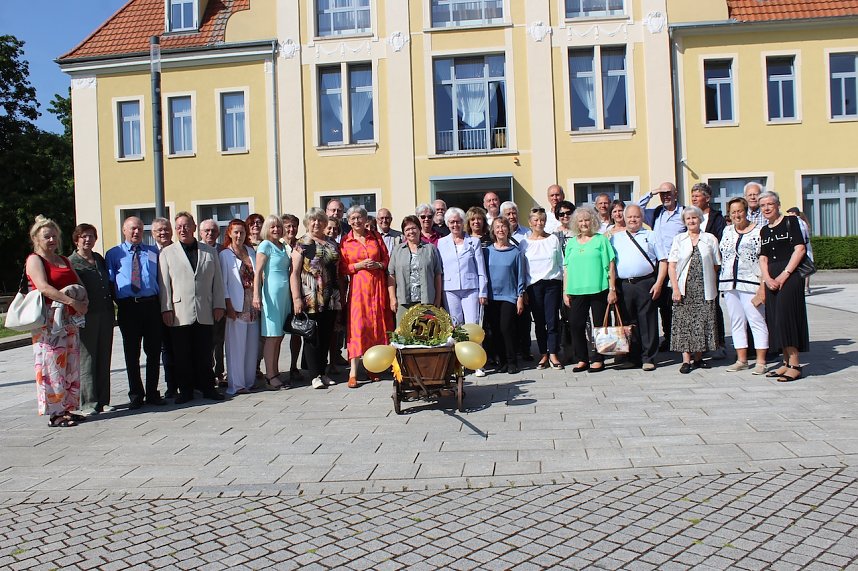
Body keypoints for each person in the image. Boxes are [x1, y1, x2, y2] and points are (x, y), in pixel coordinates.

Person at [26, 216, 89, 427]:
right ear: (36, 238)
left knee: (70, 364)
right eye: (46, 236)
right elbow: (43, 287)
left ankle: (68, 408)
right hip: (49, 322)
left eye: (54, 236)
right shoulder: (35, 260)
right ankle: (55, 413)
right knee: (52, 365)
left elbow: (77, 282)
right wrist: (72, 300)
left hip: (70, 319)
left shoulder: (63, 259)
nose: (51, 239)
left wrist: (84, 300)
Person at [159, 212, 227, 403]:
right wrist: (166, 308)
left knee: (205, 353)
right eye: (179, 226)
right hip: (180, 311)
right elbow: (164, 284)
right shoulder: (167, 253)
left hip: (205, 309)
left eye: (186, 225)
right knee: (182, 354)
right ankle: (186, 391)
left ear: (194, 227)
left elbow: (218, 282)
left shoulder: (209, 251)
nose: (183, 229)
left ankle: (208, 388)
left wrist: (219, 304)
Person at [106, 216, 166, 409]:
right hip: (129, 307)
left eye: (140, 229)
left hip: (151, 306)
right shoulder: (114, 254)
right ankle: (136, 394)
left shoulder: (153, 251)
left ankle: (152, 392)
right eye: (132, 229)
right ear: (124, 230)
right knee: (132, 353)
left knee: (154, 351)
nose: (136, 232)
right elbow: (110, 282)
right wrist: (122, 302)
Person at [338, 206, 393, 388]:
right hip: (358, 291)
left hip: (377, 288)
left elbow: (387, 261)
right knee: (357, 326)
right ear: (348, 221)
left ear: (365, 218)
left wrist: (378, 264)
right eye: (352, 218)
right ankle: (353, 370)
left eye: (359, 217)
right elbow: (343, 268)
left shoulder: (375, 237)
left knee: (375, 326)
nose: (356, 221)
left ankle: (372, 366)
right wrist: (359, 265)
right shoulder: (346, 241)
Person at [759, 191, 809, 382]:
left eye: (770, 204)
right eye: (763, 205)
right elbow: (762, 257)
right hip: (771, 277)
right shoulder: (764, 230)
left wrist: (783, 275)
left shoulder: (791, 222)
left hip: (790, 275)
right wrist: (767, 278)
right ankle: (785, 363)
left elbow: (800, 249)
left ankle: (795, 365)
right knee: (776, 319)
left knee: (788, 317)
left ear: (778, 205)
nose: (766, 208)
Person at [610, 205, 666, 371]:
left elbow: (663, 260)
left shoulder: (651, 235)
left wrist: (659, 283)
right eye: (630, 217)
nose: (633, 220)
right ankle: (631, 357)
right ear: (624, 218)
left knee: (647, 320)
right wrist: (612, 287)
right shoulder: (615, 238)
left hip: (646, 282)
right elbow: (611, 264)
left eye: (636, 217)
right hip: (624, 284)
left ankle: (648, 357)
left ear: (642, 218)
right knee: (627, 321)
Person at [291, 208, 342, 390]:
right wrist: (296, 298)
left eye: (320, 220)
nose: (316, 223)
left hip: (330, 296)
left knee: (327, 335)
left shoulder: (332, 243)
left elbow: (337, 270)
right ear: (307, 223)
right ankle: (314, 375)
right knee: (313, 336)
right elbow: (294, 273)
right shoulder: (302, 243)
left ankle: (323, 372)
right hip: (310, 295)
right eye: (313, 221)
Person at [667, 206, 721, 373]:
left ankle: (699, 358)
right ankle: (686, 360)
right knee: (684, 323)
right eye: (688, 219)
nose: (691, 221)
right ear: (684, 221)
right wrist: (675, 288)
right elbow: (672, 265)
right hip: (684, 288)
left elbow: (716, 264)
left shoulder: (709, 238)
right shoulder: (679, 239)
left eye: (694, 218)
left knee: (702, 322)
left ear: (700, 219)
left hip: (704, 287)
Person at [563, 207, 617, 373]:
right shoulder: (571, 243)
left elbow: (611, 265)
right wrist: (565, 291)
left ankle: (599, 359)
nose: (584, 223)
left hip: (598, 288)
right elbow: (566, 268)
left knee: (600, 325)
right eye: (580, 221)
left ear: (592, 221)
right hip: (576, 289)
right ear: (576, 224)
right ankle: (582, 359)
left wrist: (612, 289)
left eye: (587, 220)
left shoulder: (601, 240)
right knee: (576, 324)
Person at [718, 198, 768, 375]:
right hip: (729, 283)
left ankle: (761, 361)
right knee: (736, 321)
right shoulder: (727, 230)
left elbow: (763, 259)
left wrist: (763, 285)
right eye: (733, 212)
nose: (736, 215)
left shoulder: (758, 231)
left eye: (739, 211)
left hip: (751, 283)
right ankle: (742, 359)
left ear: (745, 211)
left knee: (756, 320)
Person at [69, 223, 114, 414]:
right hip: (86, 315)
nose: (88, 240)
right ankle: (89, 402)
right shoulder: (72, 262)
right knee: (88, 358)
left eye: (91, 236)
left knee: (104, 356)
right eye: (84, 236)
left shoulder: (98, 259)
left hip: (106, 313)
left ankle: (104, 400)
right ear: (76, 239)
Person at [639, 182, 686, 351]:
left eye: (668, 193)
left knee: (678, 302)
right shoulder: (657, 213)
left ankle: (681, 337)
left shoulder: (684, 213)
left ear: (676, 193)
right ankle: (668, 337)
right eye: (663, 193)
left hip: (678, 265)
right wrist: (652, 192)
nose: (665, 196)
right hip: (659, 265)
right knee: (663, 304)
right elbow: (636, 209)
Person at [520, 208, 564, 370]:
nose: (539, 223)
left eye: (542, 220)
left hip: (552, 284)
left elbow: (561, 263)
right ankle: (543, 353)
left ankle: (553, 352)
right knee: (539, 322)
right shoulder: (524, 243)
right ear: (530, 222)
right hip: (533, 286)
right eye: (536, 220)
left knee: (552, 320)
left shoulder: (553, 239)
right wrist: (523, 291)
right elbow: (523, 269)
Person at [219, 219, 259, 395]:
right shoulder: (225, 255)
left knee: (251, 346)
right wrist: (228, 305)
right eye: (235, 232)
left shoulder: (250, 252)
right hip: (236, 305)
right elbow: (224, 283)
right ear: (229, 233)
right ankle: (236, 384)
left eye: (242, 232)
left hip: (252, 304)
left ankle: (249, 381)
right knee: (236, 346)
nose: (239, 235)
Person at [253, 215, 291, 390]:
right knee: (272, 336)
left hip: (284, 295)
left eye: (278, 226)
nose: (276, 229)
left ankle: (275, 372)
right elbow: (258, 272)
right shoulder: (265, 245)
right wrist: (256, 296)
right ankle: (270, 376)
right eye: (272, 227)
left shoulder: (283, 246)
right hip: (271, 295)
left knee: (279, 336)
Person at [692, 182, 728, 359]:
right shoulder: (689, 216)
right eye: (692, 196)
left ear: (707, 198)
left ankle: (719, 342)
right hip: (692, 272)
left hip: (711, 269)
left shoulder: (717, 218)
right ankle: (699, 343)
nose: (694, 199)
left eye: (697, 196)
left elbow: (720, 244)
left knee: (713, 307)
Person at [485, 217, 525, 374]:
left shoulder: (516, 252)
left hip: (509, 296)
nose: (500, 229)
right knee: (495, 330)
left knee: (506, 328)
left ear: (508, 230)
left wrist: (520, 297)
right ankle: (501, 361)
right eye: (497, 227)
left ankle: (512, 361)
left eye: (503, 227)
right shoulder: (487, 251)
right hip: (491, 297)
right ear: (493, 231)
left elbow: (520, 276)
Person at [437, 207, 488, 326]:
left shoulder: (474, 241)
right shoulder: (441, 243)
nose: (455, 224)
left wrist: (483, 292)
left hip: (471, 288)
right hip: (450, 289)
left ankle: (474, 345)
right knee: (455, 325)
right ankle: (458, 345)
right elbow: (439, 269)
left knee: (473, 324)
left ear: (463, 222)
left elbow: (481, 269)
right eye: (452, 222)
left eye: (458, 221)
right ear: (447, 224)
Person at [388, 215, 443, 323]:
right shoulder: (397, 250)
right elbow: (391, 275)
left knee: (426, 335)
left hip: (427, 301)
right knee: (403, 336)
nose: (411, 232)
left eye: (413, 228)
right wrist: (392, 298)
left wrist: (438, 298)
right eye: (407, 229)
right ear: (404, 232)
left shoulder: (430, 248)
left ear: (419, 229)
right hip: (404, 301)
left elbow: (437, 274)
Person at [500, 200, 531, 359]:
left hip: (525, 280)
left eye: (514, 213)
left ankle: (525, 350)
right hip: (506, 284)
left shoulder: (527, 233)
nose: (512, 216)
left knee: (524, 318)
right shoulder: (498, 235)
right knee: (507, 321)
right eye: (508, 214)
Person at [151, 217, 177, 398]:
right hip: (155, 307)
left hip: (179, 305)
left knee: (181, 347)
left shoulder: (179, 250)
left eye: (166, 229)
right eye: (159, 230)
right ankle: (171, 385)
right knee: (165, 349)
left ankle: (187, 382)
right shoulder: (149, 253)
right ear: (152, 234)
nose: (163, 233)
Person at [200, 219, 226, 387]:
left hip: (220, 302)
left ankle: (220, 373)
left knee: (220, 340)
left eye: (214, 231)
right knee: (206, 342)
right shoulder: (196, 250)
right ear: (201, 233)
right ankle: (206, 373)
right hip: (202, 303)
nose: (210, 234)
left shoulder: (223, 251)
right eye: (207, 231)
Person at [281, 213, 307, 382]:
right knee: (276, 334)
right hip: (280, 294)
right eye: (288, 226)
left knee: (297, 332)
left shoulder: (301, 245)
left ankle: (293, 367)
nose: (291, 229)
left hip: (297, 293)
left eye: (294, 226)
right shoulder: (277, 245)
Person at [786, 207, 814, 295]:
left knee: (802, 267)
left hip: (800, 247)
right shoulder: (803, 222)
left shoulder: (796, 222)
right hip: (806, 246)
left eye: (790, 213)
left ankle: (804, 288)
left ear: (794, 213)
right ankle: (806, 287)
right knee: (806, 267)